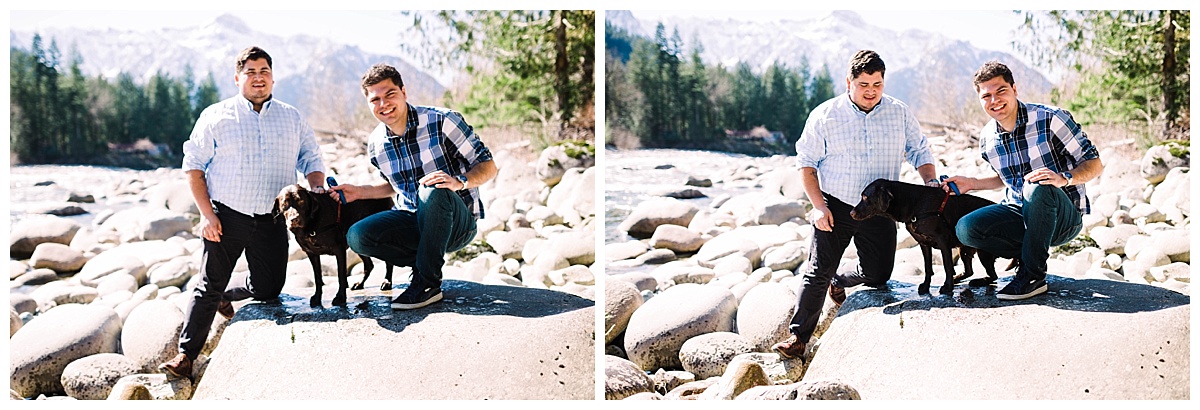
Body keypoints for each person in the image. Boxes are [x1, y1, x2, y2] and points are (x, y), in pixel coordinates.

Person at [159, 46, 327, 378]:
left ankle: (227, 293)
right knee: (208, 284)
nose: (258, 78)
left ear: (273, 77)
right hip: (227, 215)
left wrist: (317, 185)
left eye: (264, 71)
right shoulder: (215, 116)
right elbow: (193, 168)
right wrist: (208, 216)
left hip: (273, 218)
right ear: (237, 79)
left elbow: (311, 157)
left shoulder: (291, 117)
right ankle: (186, 355)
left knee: (268, 290)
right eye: (250, 72)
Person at [772, 50, 940, 360]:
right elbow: (806, 164)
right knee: (817, 271)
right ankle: (797, 338)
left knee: (878, 276)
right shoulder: (824, 115)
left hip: (880, 209)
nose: (871, 91)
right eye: (863, 84)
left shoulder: (899, 113)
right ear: (848, 81)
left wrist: (931, 183)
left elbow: (919, 150)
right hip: (836, 205)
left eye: (877, 84)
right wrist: (819, 207)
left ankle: (841, 278)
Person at [329, 63, 497, 310]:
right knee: (357, 236)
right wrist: (361, 192)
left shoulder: (443, 121)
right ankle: (423, 263)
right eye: (375, 99)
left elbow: (488, 166)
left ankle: (428, 283)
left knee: (432, 186)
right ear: (368, 104)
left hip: (456, 223)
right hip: (413, 221)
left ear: (404, 92)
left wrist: (458, 182)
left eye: (390, 94)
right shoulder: (376, 143)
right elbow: (394, 185)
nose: (383, 104)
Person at [943, 61, 1102, 301]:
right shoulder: (987, 138)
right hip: (1018, 212)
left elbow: (1094, 163)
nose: (994, 100)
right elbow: (1006, 178)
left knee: (1036, 185)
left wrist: (1064, 178)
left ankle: (1032, 276)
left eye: (1001, 91)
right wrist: (973, 183)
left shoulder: (1051, 119)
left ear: (1014, 90)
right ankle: (1027, 254)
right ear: (980, 100)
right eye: (986, 96)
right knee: (966, 229)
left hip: (1062, 217)